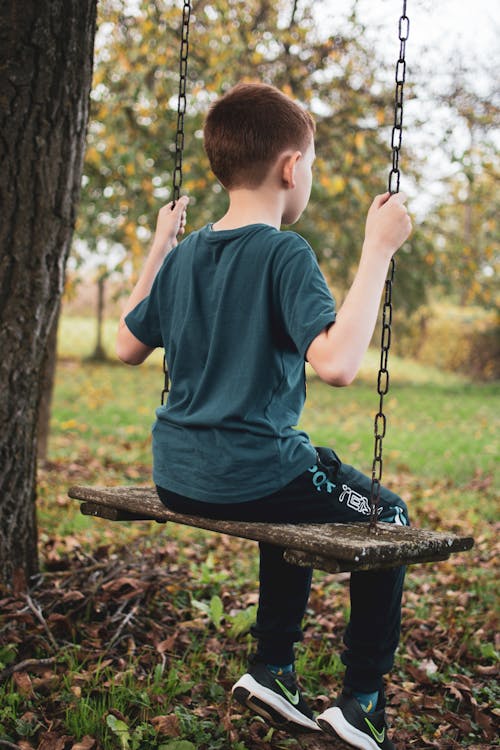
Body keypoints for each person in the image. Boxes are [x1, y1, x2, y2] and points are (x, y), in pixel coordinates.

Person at [116, 82, 412, 750]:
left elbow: (125, 344)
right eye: (309, 163)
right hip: (251, 475)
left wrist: (162, 245)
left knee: (304, 482)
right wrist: (378, 251)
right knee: (387, 517)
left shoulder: (187, 255)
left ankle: (274, 668)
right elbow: (336, 364)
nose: (307, 175)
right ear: (289, 166)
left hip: (177, 474)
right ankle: (363, 700)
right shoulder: (285, 252)